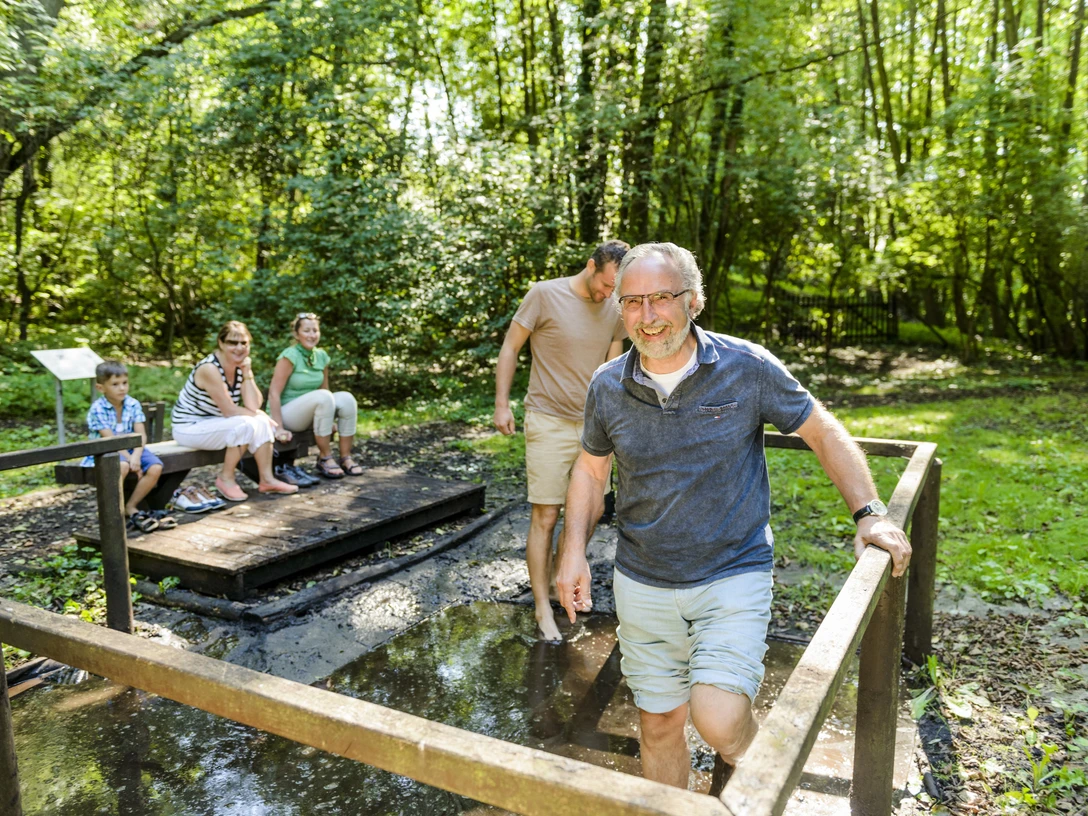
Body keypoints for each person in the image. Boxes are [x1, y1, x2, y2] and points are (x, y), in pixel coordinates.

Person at [556, 242, 911, 789]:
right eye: (632, 302)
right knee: (658, 726)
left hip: (732, 570)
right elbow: (589, 471)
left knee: (719, 720)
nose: (647, 317)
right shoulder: (608, 384)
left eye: (661, 298)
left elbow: (821, 430)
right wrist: (573, 549)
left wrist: (870, 512)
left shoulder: (747, 366)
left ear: (694, 300)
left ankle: (758, 766)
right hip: (642, 577)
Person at [493, 239, 630, 642]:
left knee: (586, 514)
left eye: (615, 289)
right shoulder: (543, 294)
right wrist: (502, 404)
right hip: (547, 420)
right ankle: (540, 609)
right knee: (547, 516)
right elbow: (510, 347)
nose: (610, 294)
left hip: (594, 427)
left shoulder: (615, 307)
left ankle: (558, 580)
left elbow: (614, 364)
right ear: (591, 266)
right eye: (607, 285)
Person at [171, 320, 298, 501]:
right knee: (246, 424)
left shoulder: (239, 367)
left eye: (244, 343)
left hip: (214, 423)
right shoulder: (210, 368)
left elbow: (253, 405)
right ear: (221, 343)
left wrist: (247, 373)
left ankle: (267, 480)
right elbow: (230, 411)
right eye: (232, 343)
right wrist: (257, 414)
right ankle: (226, 479)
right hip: (189, 427)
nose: (239, 348)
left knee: (260, 422)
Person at [81, 360, 175, 533]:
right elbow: (110, 440)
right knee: (122, 466)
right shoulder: (98, 409)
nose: (122, 388)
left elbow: (141, 435)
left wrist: (136, 456)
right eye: (115, 384)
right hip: (105, 450)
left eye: (124, 383)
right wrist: (130, 459)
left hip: (134, 449)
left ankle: (130, 506)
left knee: (155, 466)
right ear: (101, 388)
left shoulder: (132, 404)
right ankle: (113, 512)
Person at [267, 312, 361, 481]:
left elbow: (324, 388)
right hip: (287, 415)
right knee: (323, 397)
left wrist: (330, 419)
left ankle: (345, 457)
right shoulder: (289, 356)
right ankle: (325, 458)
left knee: (347, 399)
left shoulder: (321, 356)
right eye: (307, 331)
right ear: (296, 334)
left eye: (315, 331)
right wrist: (278, 427)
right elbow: (274, 392)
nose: (312, 335)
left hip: (313, 411)